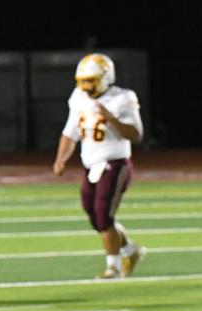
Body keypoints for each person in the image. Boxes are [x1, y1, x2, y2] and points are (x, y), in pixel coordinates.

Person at [52, 53, 145, 279]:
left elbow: (136, 134)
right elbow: (69, 132)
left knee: (104, 215)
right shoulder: (79, 98)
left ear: (104, 77)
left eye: (90, 80)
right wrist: (61, 158)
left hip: (116, 163)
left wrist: (111, 118)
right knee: (94, 216)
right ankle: (130, 250)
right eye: (82, 81)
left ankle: (112, 267)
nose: (86, 86)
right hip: (91, 165)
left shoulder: (123, 98)